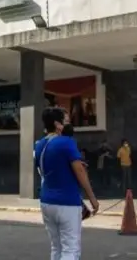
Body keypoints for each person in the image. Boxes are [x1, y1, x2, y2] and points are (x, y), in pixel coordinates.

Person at [34, 107, 99, 260]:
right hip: (67, 202)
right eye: (67, 121)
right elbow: (80, 172)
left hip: (47, 201)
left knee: (56, 247)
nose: (69, 124)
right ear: (58, 124)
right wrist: (92, 199)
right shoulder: (66, 142)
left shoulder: (39, 145)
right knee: (71, 249)